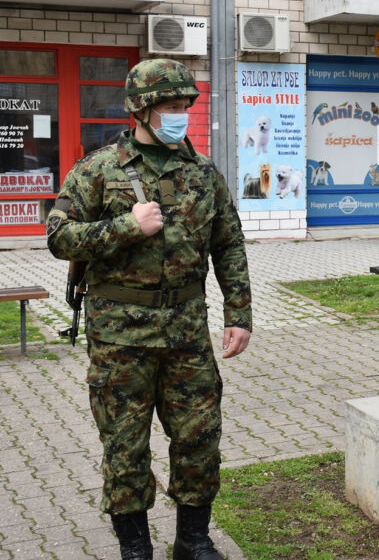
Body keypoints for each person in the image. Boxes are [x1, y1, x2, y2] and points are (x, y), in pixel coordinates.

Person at [46, 58, 253, 560]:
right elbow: (57, 237)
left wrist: (238, 313)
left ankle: (192, 540)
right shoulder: (98, 170)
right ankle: (135, 548)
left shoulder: (202, 173)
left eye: (185, 106)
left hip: (186, 331)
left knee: (199, 440)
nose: (180, 114)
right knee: (125, 447)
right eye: (171, 106)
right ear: (141, 108)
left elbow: (228, 243)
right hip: (120, 338)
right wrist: (125, 227)